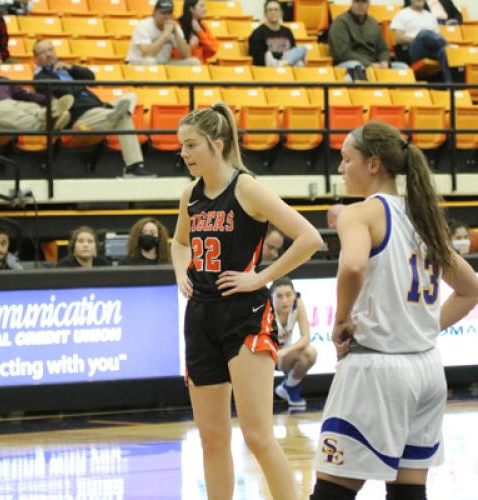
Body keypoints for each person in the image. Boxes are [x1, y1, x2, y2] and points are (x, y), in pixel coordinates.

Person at [310, 121, 478, 500]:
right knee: (407, 492)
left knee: (332, 490)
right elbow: (470, 289)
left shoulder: (361, 214)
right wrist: (421, 329)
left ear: (373, 164)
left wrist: (341, 321)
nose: (340, 169)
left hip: (377, 370)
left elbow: (352, 266)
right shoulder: (423, 216)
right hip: (428, 371)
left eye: (345, 159)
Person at [171, 102, 323, 500]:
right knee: (212, 440)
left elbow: (309, 238)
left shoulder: (246, 187)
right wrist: (181, 273)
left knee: (257, 435)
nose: (183, 154)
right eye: (181, 146)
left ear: (217, 144)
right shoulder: (191, 193)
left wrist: (261, 276)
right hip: (200, 315)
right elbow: (178, 243)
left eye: (191, 145)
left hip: (245, 314)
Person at [32, 39, 154, 177]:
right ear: (36, 59)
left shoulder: (67, 70)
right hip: (80, 116)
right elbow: (66, 92)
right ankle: (134, 167)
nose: (48, 54)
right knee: (123, 117)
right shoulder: (40, 78)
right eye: (43, 53)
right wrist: (78, 85)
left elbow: (90, 77)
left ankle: (115, 113)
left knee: (131, 96)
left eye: (50, 50)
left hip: (98, 109)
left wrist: (70, 68)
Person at [0, 46, 73, 131]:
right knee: (9, 112)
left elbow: (25, 94)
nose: (0, 61)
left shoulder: (4, 80)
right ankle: (49, 124)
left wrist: (49, 99)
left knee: (30, 108)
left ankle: (51, 114)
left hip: (12, 104)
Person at [328, 0, 408, 75]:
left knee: (403, 67)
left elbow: (383, 49)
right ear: (352, 3)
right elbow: (343, 53)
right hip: (348, 63)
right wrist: (369, 64)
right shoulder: (340, 22)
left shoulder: (373, 22)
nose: (360, 5)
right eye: (357, 1)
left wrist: (384, 62)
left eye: (364, 2)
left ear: (368, 4)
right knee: (357, 66)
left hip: (374, 63)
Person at [272, 276, 317, 406]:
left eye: (288, 295)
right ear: (271, 297)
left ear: (294, 295)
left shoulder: (298, 303)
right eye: (279, 296)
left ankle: (289, 386)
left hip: (283, 355)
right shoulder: (265, 308)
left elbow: (306, 337)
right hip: (264, 355)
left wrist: (286, 351)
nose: (285, 300)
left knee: (310, 353)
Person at [391, 0, 452, 82]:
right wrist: (417, 39)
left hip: (431, 51)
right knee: (423, 34)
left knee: (444, 51)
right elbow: (398, 38)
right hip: (413, 50)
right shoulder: (402, 14)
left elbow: (437, 37)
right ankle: (449, 47)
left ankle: (450, 88)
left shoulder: (430, 16)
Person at [126, 0, 200, 66]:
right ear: (154, 13)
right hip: (138, 62)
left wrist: (176, 33)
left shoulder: (174, 26)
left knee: (194, 62)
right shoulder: (144, 26)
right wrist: (165, 34)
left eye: (169, 13)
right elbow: (147, 54)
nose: (166, 16)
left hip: (164, 63)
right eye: (163, 13)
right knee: (150, 61)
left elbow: (186, 55)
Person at [248, 0, 306, 67]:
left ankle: (281, 64)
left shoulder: (287, 31)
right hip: (268, 68)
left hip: (286, 63)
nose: (273, 12)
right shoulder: (258, 33)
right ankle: (277, 64)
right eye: (270, 10)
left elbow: (293, 51)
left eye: (276, 10)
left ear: (281, 13)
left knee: (302, 49)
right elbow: (257, 59)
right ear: (265, 14)